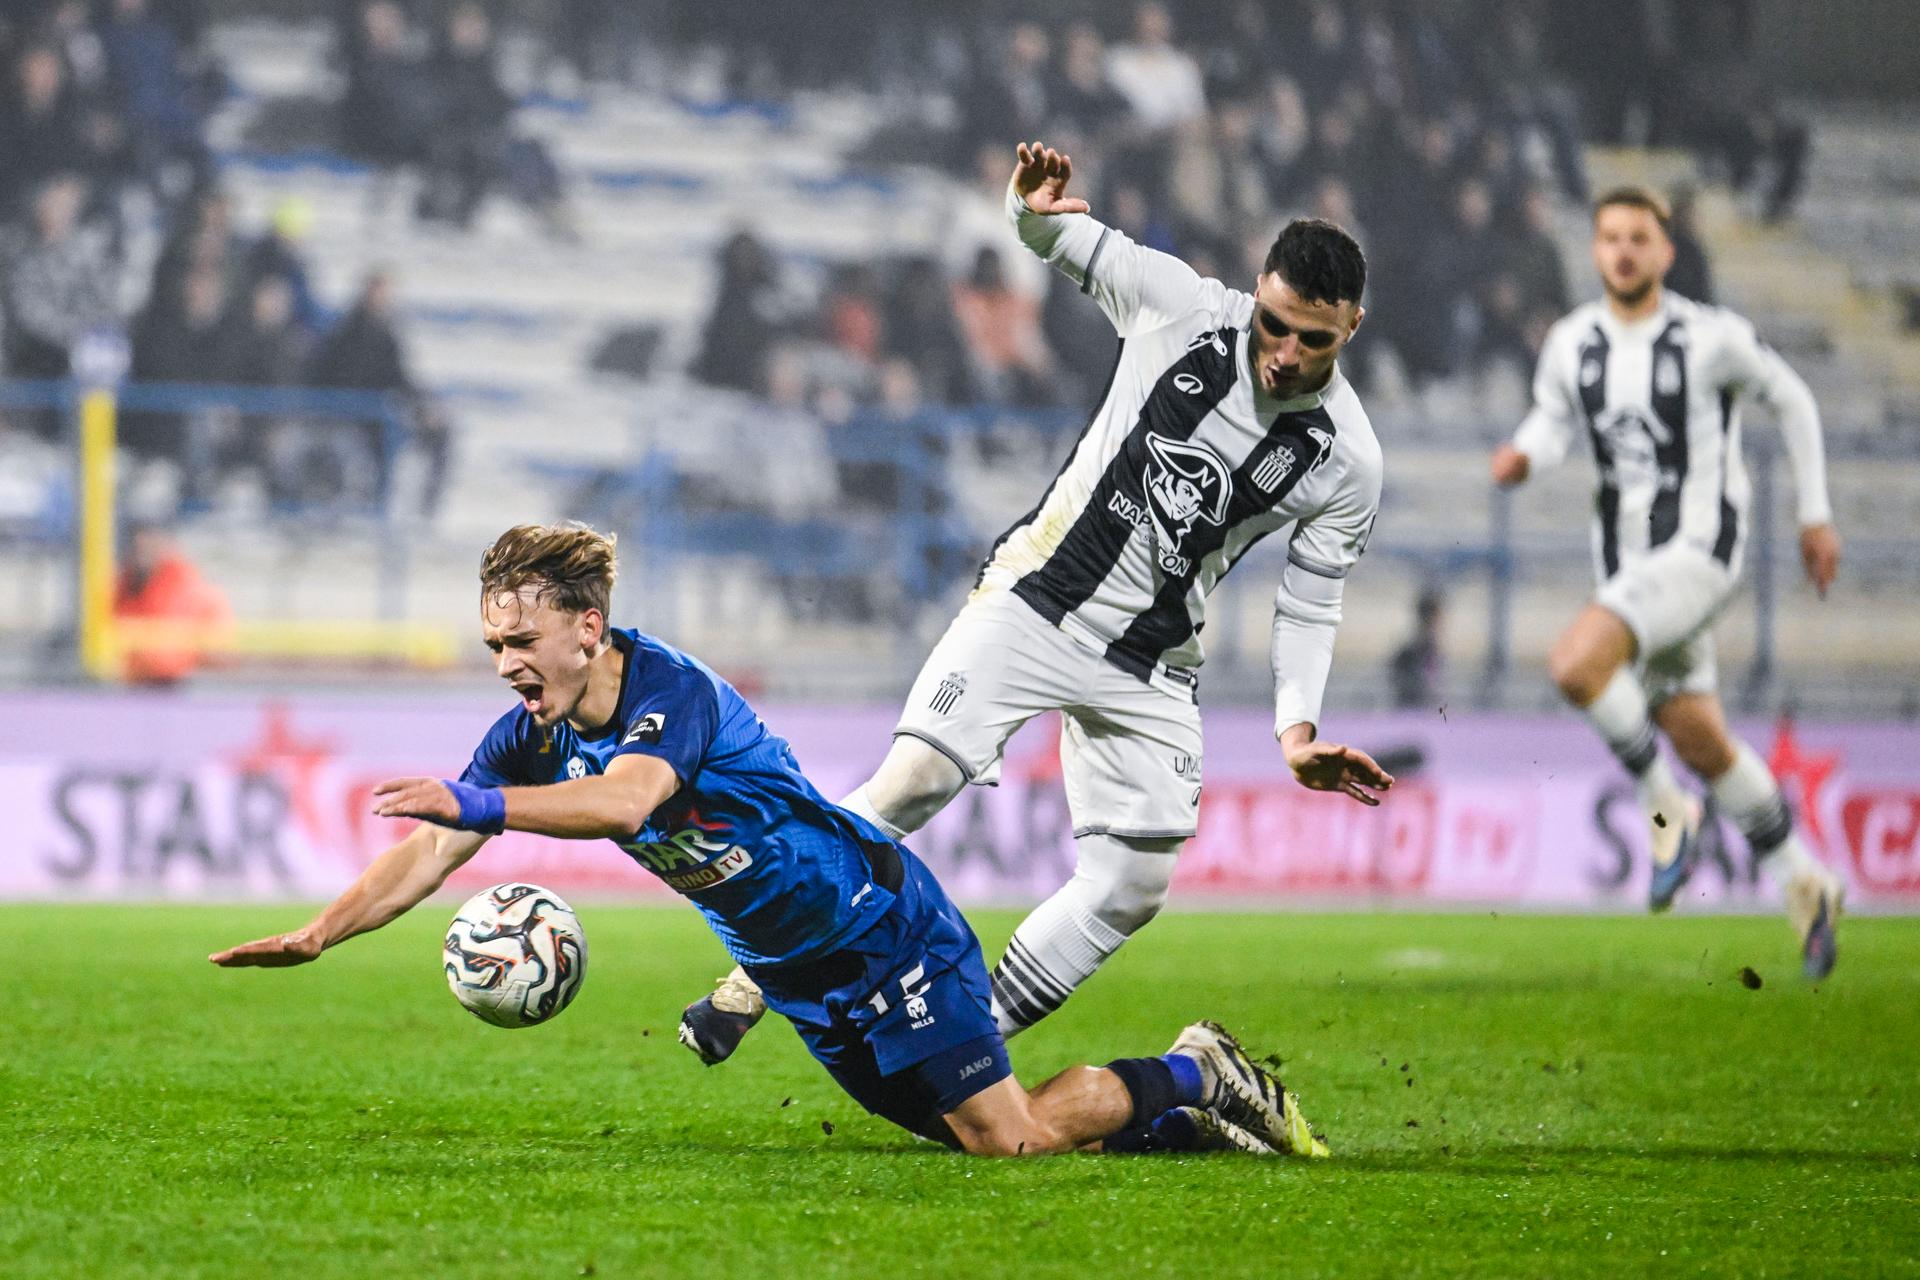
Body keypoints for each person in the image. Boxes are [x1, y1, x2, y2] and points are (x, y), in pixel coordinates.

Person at [209, 523, 1329, 1159]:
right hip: (799, 976)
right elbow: (430, 853)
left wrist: (481, 805)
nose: (504, 660)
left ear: (586, 626)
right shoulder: (532, 732)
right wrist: (321, 932)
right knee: (982, 1133)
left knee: (1006, 1143)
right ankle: (1191, 1130)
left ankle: (1199, 1067)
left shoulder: (670, 689)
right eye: (493, 640)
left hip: (883, 927)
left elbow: (629, 804)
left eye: (522, 637)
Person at [681, 141, 1391, 1064]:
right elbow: (1054, 236)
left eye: (1315, 340)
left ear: (1354, 329)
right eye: (1275, 324)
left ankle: (964, 1043)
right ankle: (753, 978)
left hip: (1153, 662)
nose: (1286, 354)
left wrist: (1296, 729)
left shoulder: (1347, 459)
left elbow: (1311, 601)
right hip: (1037, 598)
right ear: (1256, 290)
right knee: (917, 779)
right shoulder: (1176, 302)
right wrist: (1029, 207)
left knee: (1134, 882)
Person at [1488, 187, 1845, 977]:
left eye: (1638, 237)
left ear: (1664, 251)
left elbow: (1792, 397)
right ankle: (1808, 882)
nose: (1622, 250)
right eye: (1610, 236)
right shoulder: (1574, 341)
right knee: (1697, 734)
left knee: (1577, 664)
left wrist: (1815, 515)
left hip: (1698, 550)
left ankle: (1667, 812)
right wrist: (1523, 454)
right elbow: (1552, 421)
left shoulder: (1709, 338)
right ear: (1595, 250)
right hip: (1628, 565)